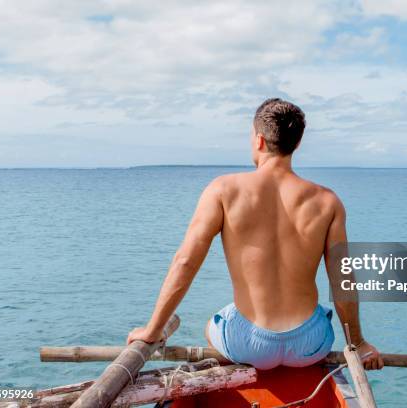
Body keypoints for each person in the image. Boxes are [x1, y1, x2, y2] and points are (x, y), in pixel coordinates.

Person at [127, 98, 383, 370]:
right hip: (309, 344)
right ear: (296, 144)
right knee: (320, 314)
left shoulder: (223, 190)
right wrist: (358, 343)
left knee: (212, 325)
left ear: (259, 140)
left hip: (248, 343)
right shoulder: (327, 201)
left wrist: (153, 331)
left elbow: (185, 262)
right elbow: (342, 279)